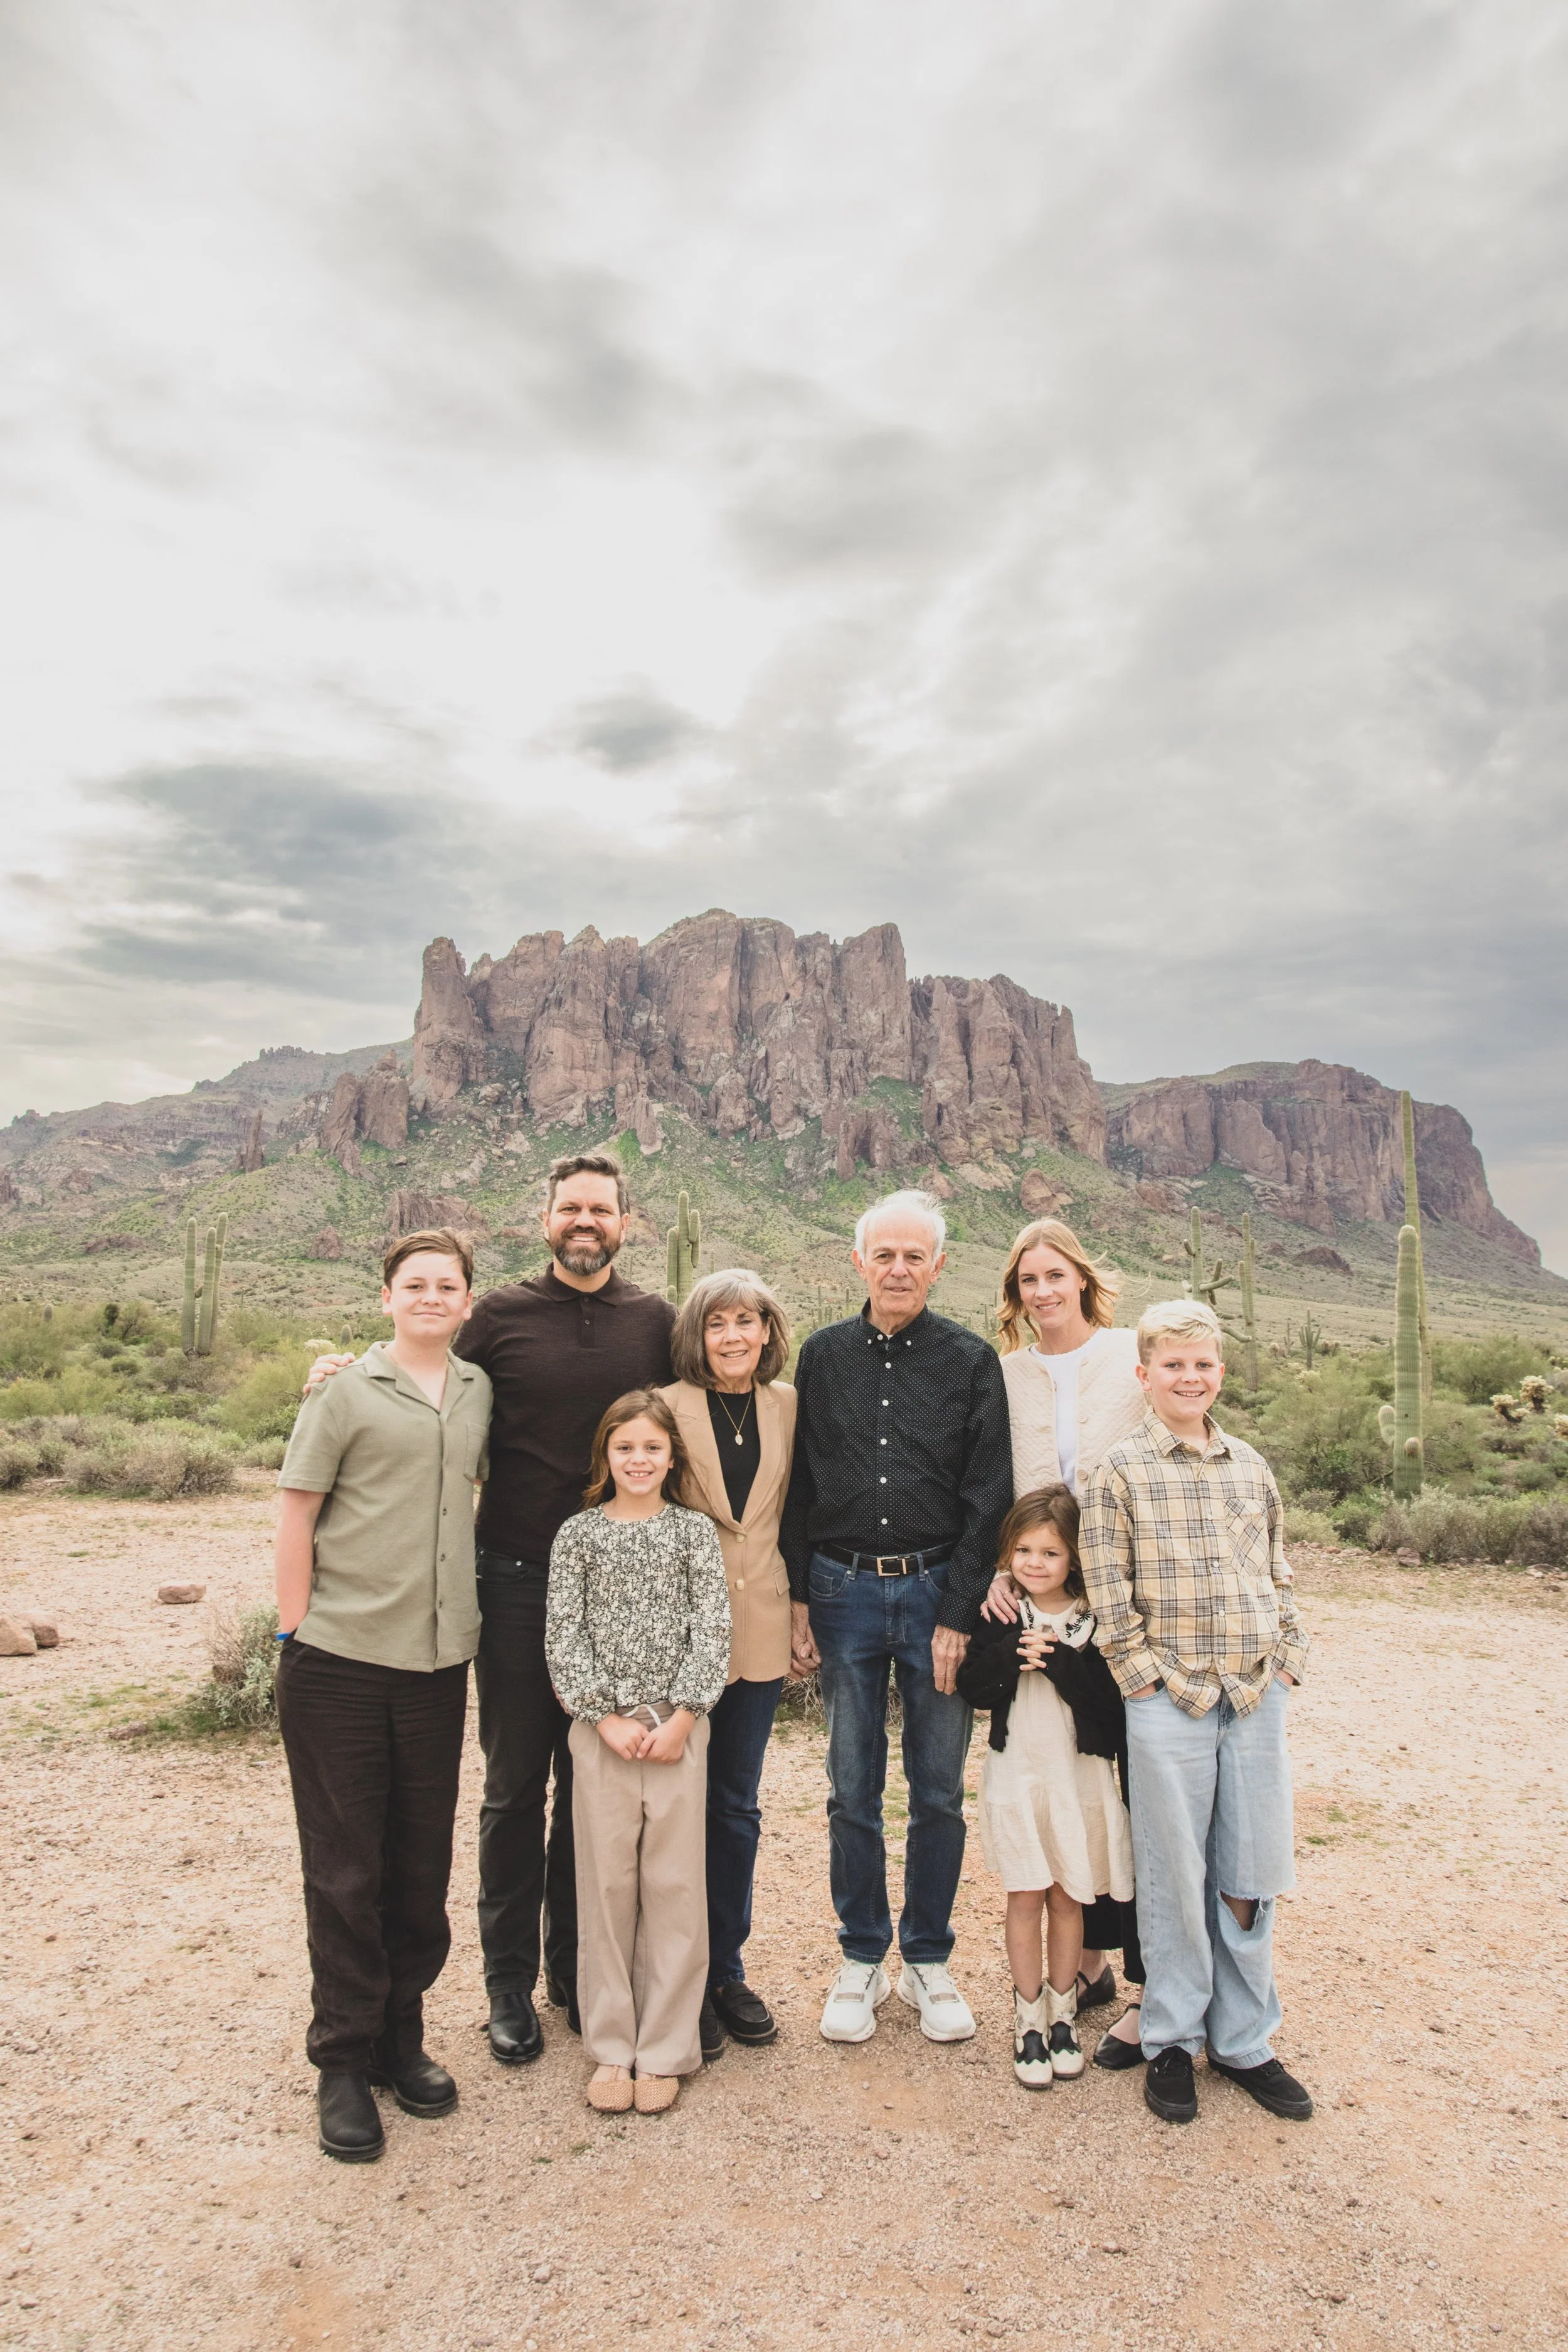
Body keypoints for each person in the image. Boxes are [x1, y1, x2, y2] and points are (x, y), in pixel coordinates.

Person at [303, 1151, 675, 2066]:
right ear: (543, 1219)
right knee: (516, 1788)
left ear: (627, 1223)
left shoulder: (657, 1321)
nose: (584, 1222)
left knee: (592, 1790)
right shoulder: (499, 1316)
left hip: (618, 1589)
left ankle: (573, 1972)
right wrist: (343, 1370)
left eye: (600, 1208)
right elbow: (418, 1375)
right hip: (513, 1579)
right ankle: (506, 1985)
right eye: (569, 1208)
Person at [273, 1229, 492, 2164]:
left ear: (468, 1302)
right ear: (387, 1296)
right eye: (416, 1283)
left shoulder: (481, 1391)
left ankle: (402, 2036)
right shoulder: (344, 1392)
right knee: (345, 1865)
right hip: (341, 1660)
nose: (432, 1296)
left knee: (417, 1861)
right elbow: (296, 1511)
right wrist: (292, 1633)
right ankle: (343, 2056)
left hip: (439, 1664)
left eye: (448, 1284)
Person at [781, 1189, 1011, 2047]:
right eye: (885, 1253)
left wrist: (958, 1610)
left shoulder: (969, 1360)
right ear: (859, 1262)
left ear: (939, 1266)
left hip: (933, 1591)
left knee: (939, 1788)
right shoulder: (821, 1355)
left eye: (916, 1255)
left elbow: (990, 1492)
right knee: (851, 1784)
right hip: (840, 1591)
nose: (899, 1268)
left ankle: (928, 1957)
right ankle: (860, 1956)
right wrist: (799, 1596)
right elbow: (800, 1484)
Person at [1079, 1298, 1313, 2127]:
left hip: (1253, 1692)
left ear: (1219, 1371)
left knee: (1250, 1870)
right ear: (1144, 1375)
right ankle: (1172, 2034)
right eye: (1173, 1364)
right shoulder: (1119, 1471)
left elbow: (1279, 1570)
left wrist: (1288, 1656)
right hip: (1167, 1696)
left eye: (1203, 1364)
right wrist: (1138, 1674)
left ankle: (1244, 2037)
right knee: (1174, 1871)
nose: (1190, 1377)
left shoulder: (1250, 1465)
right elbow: (1109, 1590)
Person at [983, 1218, 1148, 2061]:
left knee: (1117, 1771)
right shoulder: (1005, 1372)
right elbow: (990, 1478)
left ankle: (1113, 1963)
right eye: (1028, 1280)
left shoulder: (1131, 1355)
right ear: (1016, 1295)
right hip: (1039, 1578)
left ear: (1082, 1277)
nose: (1044, 1291)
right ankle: (1081, 1970)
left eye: (1056, 1275)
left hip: (1122, 1588)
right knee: (1066, 1761)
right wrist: (1001, 1566)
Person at [545, 1391, 731, 2115]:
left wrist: (685, 1714)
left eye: (652, 1448)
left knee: (674, 1888)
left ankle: (666, 2046)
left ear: (672, 1457)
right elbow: (565, 1633)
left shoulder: (691, 1534)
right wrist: (600, 1716)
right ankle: (612, 2044)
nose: (639, 1460)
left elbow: (711, 1629)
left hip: (678, 1731)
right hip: (604, 1737)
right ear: (606, 1456)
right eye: (625, 1448)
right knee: (606, 1888)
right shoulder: (578, 1536)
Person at [661, 1269, 797, 2058]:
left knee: (735, 1805)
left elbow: (797, 1511)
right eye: (718, 1324)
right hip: (683, 1635)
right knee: (675, 1806)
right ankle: (676, 1975)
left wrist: (805, 1609)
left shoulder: (787, 1406)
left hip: (762, 1628)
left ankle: (725, 1968)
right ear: (696, 1335)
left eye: (747, 1321)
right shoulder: (665, 1407)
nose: (734, 1337)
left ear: (768, 1331)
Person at [956, 1487, 1133, 2092]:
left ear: (1074, 1559)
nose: (1035, 1563)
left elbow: (1109, 1713)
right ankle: (1026, 2019)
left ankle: (1064, 2016)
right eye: (1024, 1550)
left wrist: (1058, 1660)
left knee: (1070, 1896)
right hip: (1019, 1775)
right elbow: (973, 1687)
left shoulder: (1093, 1620)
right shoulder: (1002, 1616)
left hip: (1077, 1779)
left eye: (1050, 1553)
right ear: (1008, 1553)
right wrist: (1011, 1656)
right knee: (1026, 1895)